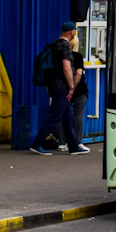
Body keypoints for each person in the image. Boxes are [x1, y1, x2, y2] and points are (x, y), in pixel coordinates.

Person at [31, 23, 80, 155]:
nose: (75, 33)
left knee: (67, 116)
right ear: (71, 32)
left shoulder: (55, 44)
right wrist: (71, 86)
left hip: (54, 84)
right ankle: (37, 143)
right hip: (61, 86)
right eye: (74, 31)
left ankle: (74, 146)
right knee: (55, 116)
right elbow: (66, 67)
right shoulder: (64, 46)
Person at [59, 46, 91, 154]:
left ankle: (62, 142)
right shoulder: (77, 56)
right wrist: (72, 87)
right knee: (78, 116)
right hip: (78, 89)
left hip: (62, 88)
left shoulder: (59, 56)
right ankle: (77, 142)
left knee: (61, 115)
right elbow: (79, 73)